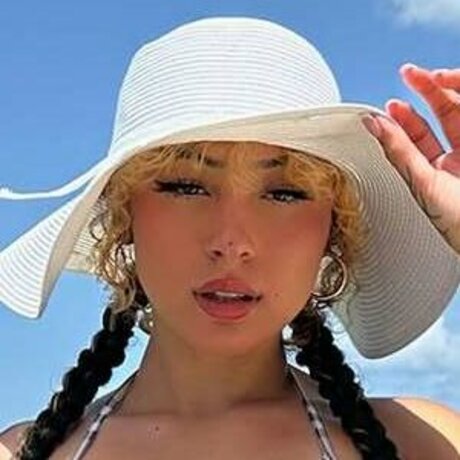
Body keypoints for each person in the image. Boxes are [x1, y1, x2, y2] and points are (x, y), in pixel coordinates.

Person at [0, 15, 459, 460]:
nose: (232, 241)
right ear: (123, 214)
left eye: (284, 193)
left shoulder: (426, 443)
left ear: (333, 231)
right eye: (186, 187)